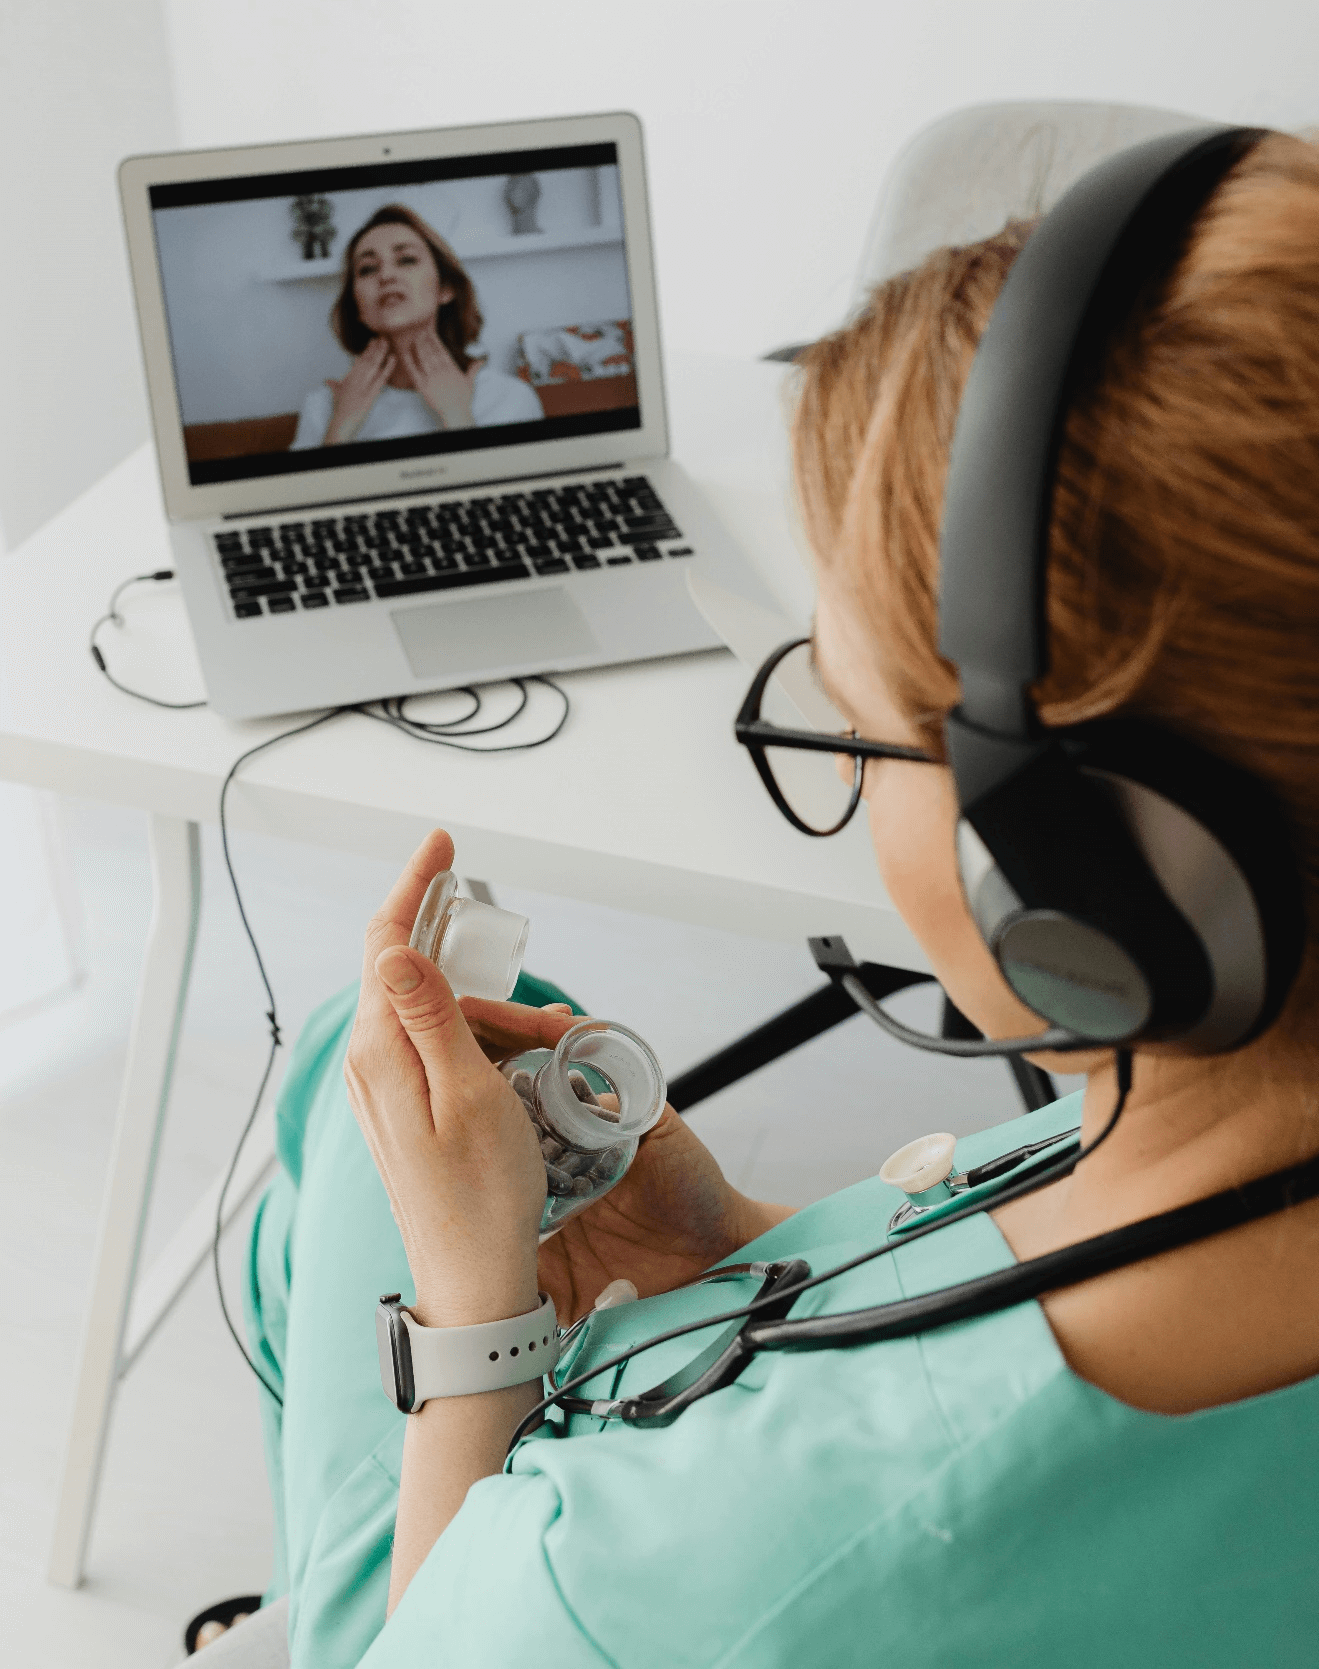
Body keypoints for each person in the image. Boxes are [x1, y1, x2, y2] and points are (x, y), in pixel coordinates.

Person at [240, 132, 1319, 1666]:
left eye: (856, 731)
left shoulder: (668, 1582)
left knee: (355, 1093)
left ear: (1077, 869)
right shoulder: (1198, 1113)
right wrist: (737, 1247)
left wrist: (477, 1315)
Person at [289, 203, 543, 449]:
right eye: (367, 269)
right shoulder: (323, 408)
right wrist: (340, 429)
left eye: (407, 260)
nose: (386, 276)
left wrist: (458, 419)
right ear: (356, 307)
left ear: (445, 288)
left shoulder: (509, 399)